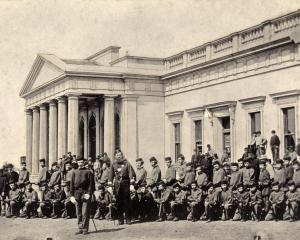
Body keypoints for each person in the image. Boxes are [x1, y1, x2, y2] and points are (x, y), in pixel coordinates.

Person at [108, 151, 135, 225]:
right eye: (117, 155)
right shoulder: (113, 164)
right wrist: (110, 186)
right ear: (115, 156)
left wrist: (132, 184)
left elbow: (131, 173)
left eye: (120, 155)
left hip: (125, 184)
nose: (119, 156)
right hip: (117, 186)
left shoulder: (127, 163)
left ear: (122, 155)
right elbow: (110, 175)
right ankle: (120, 219)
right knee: (118, 203)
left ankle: (128, 219)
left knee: (127, 202)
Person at [70, 158, 95, 235]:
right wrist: (71, 195)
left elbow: (91, 185)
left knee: (85, 212)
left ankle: (85, 228)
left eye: (81, 162)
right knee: (78, 212)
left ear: (84, 162)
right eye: (78, 162)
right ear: (77, 163)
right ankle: (80, 227)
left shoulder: (88, 172)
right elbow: (71, 184)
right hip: (77, 193)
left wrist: (89, 193)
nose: (80, 163)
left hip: (85, 193)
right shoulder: (74, 172)